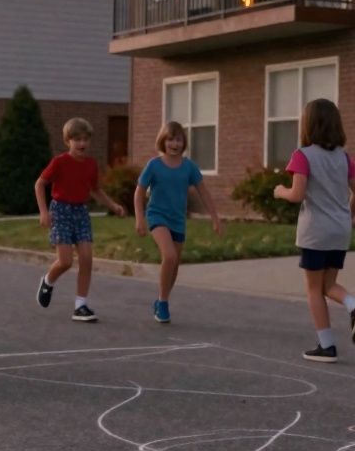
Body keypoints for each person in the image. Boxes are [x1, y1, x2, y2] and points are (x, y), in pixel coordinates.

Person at [273, 99, 355, 363]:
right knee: (329, 284)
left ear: (307, 125)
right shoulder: (344, 157)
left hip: (315, 232)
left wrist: (280, 191)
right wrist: (346, 217)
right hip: (339, 231)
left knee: (314, 289)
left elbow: (297, 194)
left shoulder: (302, 155)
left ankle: (327, 346)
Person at [33, 117, 126, 322]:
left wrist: (113, 206)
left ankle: (80, 305)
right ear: (68, 141)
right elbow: (40, 184)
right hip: (61, 211)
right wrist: (43, 212)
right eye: (77, 139)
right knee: (65, 261)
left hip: (81, 212)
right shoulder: (59, 162)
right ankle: (48, 281)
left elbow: (96, 190)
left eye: (85, 139)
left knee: (86, 258)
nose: (82, 143)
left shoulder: (91, 165)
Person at [134, 121, 222, 324]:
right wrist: (139, 218)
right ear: (163, 141)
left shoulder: (189, 167)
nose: (175, 143)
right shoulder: (154, 165)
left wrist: (215, 218)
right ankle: (163, 303)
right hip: (157, 216)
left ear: (184, 143)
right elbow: (139, 193)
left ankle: (160, 299)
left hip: (178, 220)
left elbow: (204, 193)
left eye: (179, 139)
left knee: (174, 264)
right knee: (170, 255)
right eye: (171, 139)